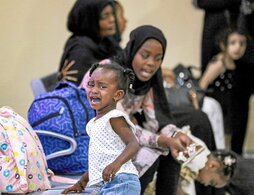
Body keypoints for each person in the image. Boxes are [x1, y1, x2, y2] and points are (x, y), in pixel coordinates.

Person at [111, 25, 219, 195]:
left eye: (158, 58)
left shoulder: (146, 83)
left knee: (173, 150)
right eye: (145, 55)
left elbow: (154, 120)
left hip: (126, 138)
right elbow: (122, 127)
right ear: (133, 50)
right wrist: (164, 140)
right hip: (97, 140)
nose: (151, 64)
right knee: (152, 151)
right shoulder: (111, 74)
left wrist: (176, 135)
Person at [62, 62, 141, 194]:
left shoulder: (114, 117)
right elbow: (98, 160)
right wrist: (81, 183)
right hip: (108, 183)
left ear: (117, 95)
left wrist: (116, 164)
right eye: (91, 84)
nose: (94, 90)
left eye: (102, 86)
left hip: (121, 181)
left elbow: (133, 144)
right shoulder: (93, 123)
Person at [199, 26, 248, 148]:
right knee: (220, 137)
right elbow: (202, 84)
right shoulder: (219, 62)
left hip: (228, 105)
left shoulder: (233, 62)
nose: (238, 47)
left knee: (228, 135)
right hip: (217, 104)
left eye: (242, 43)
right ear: (223, 45)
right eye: (233, 43)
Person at [58, 0, 121, 85]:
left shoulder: (107, 42)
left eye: (112, 13)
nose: (112, 20)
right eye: (104, 16)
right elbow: (78, 92)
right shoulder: (80, 52)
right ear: (90, 20)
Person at [178, 129, 237, 195]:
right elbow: (172, 171)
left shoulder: (201, 151)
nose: (206, 184)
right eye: (211, 182)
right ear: (213, 165)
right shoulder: (197, 158)